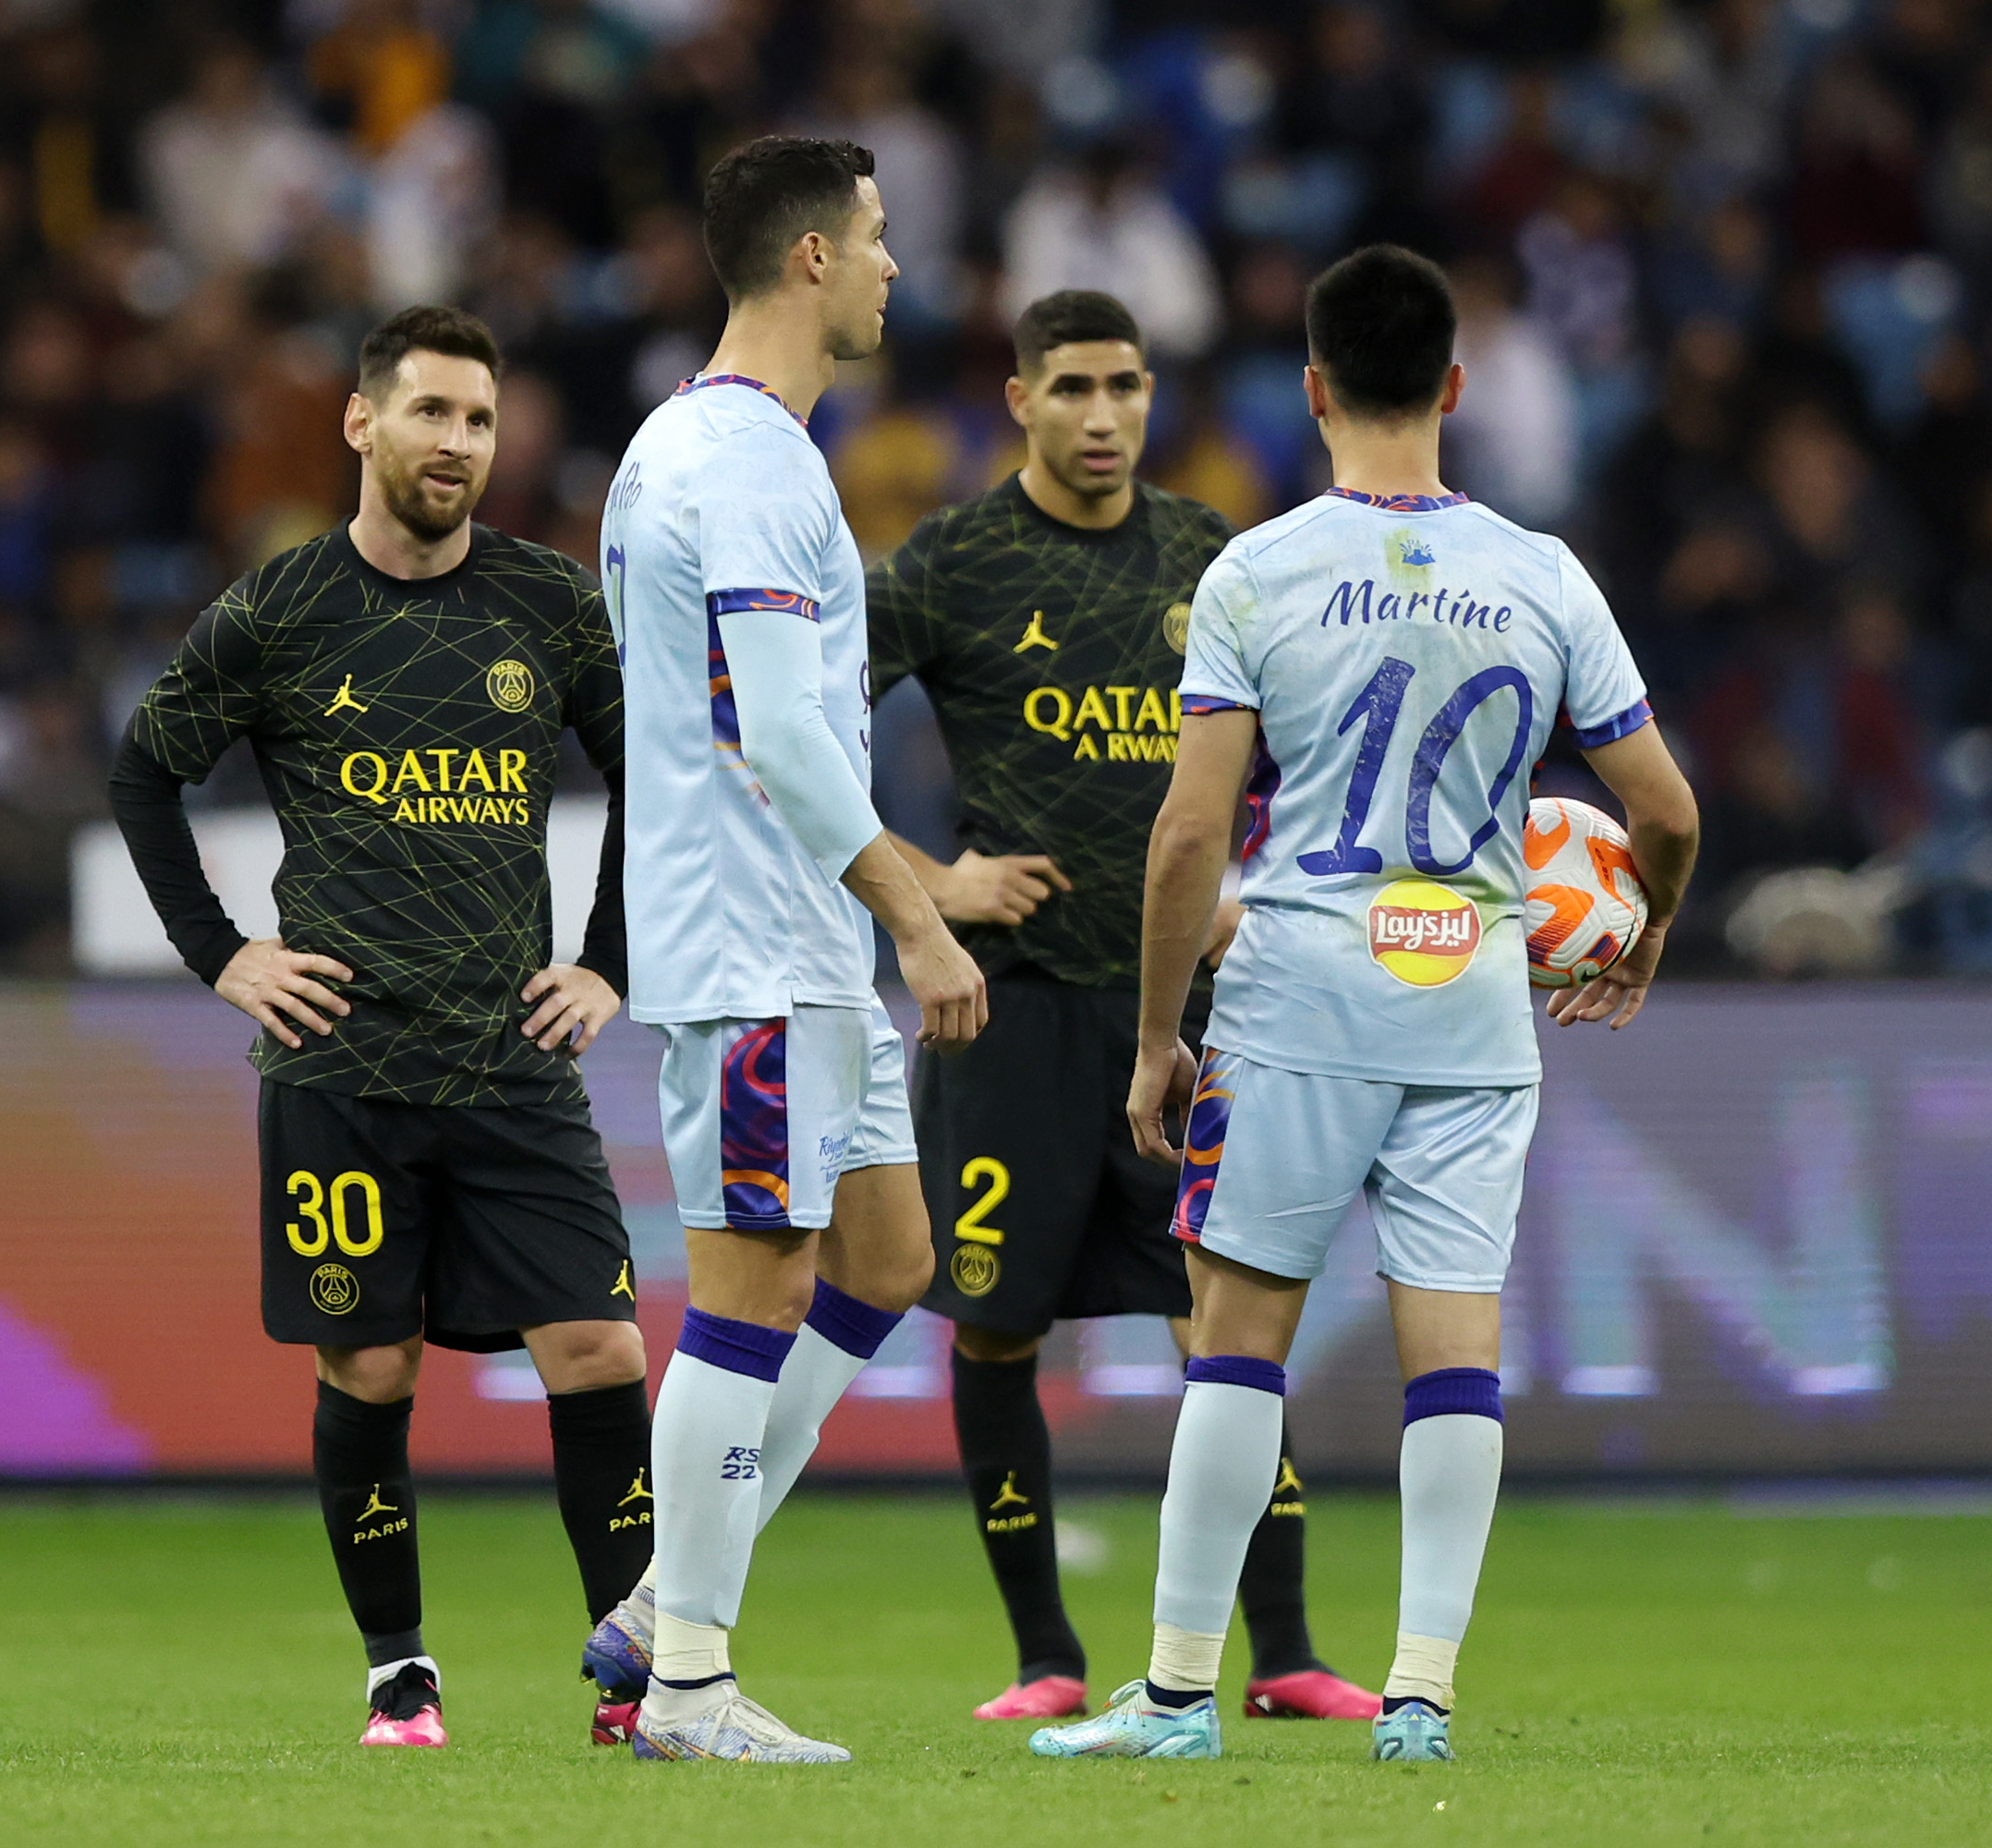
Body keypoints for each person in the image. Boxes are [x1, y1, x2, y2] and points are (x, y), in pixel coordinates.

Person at [1030, 246, 1700, 1765]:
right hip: (1468, 1001)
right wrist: (1645, 928)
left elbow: (1192, 835)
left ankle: (1183, 1699)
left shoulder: (1257, 571)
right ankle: (1421, 1696)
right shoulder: (1545, 574)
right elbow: (1662, 807)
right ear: (1455, 388)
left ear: (1313, 389)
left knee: (1238, 1338)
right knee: (1453, 1350)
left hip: (1298, 1003)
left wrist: (1155, 1036)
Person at [107, 306, 656, 1750]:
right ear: (364, 424)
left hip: (513, 1057)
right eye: (431, 415)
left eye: (480, 422)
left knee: (600, 1350)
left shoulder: (549, 605)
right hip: (343, 1065)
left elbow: (654, 779)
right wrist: (224, 957)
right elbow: (142, 774)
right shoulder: (280, 609)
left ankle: (636, 1680)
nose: (459, 446)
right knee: (369, 1368)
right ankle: (398, 1672)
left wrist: (607, 964)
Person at [869, 287, 1377, 1724]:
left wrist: (1260, 894)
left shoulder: (1215, 558)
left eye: (1129, 387)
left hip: (1193, 1010)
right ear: (1019, 399)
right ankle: (1045, 1657)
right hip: (1011, 1016)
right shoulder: (956, 564)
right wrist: (929, 888)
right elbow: (773, 738)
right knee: (993, 1331)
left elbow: (1323, 744)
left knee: (1228, 1324)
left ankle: (1278, 1654)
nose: (1104, 416)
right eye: (1075, 388)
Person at [587, 135, 989, 1764]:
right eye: (880, 238)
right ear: (811, 258)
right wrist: (920, 910)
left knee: (890, 1259)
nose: (898, 265)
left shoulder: (690, 448)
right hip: (762, 945)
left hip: (796, 942)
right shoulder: (748, 463)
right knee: (748, 1292)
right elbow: (778, 730)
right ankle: (686, 1680)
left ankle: (657, 1611)